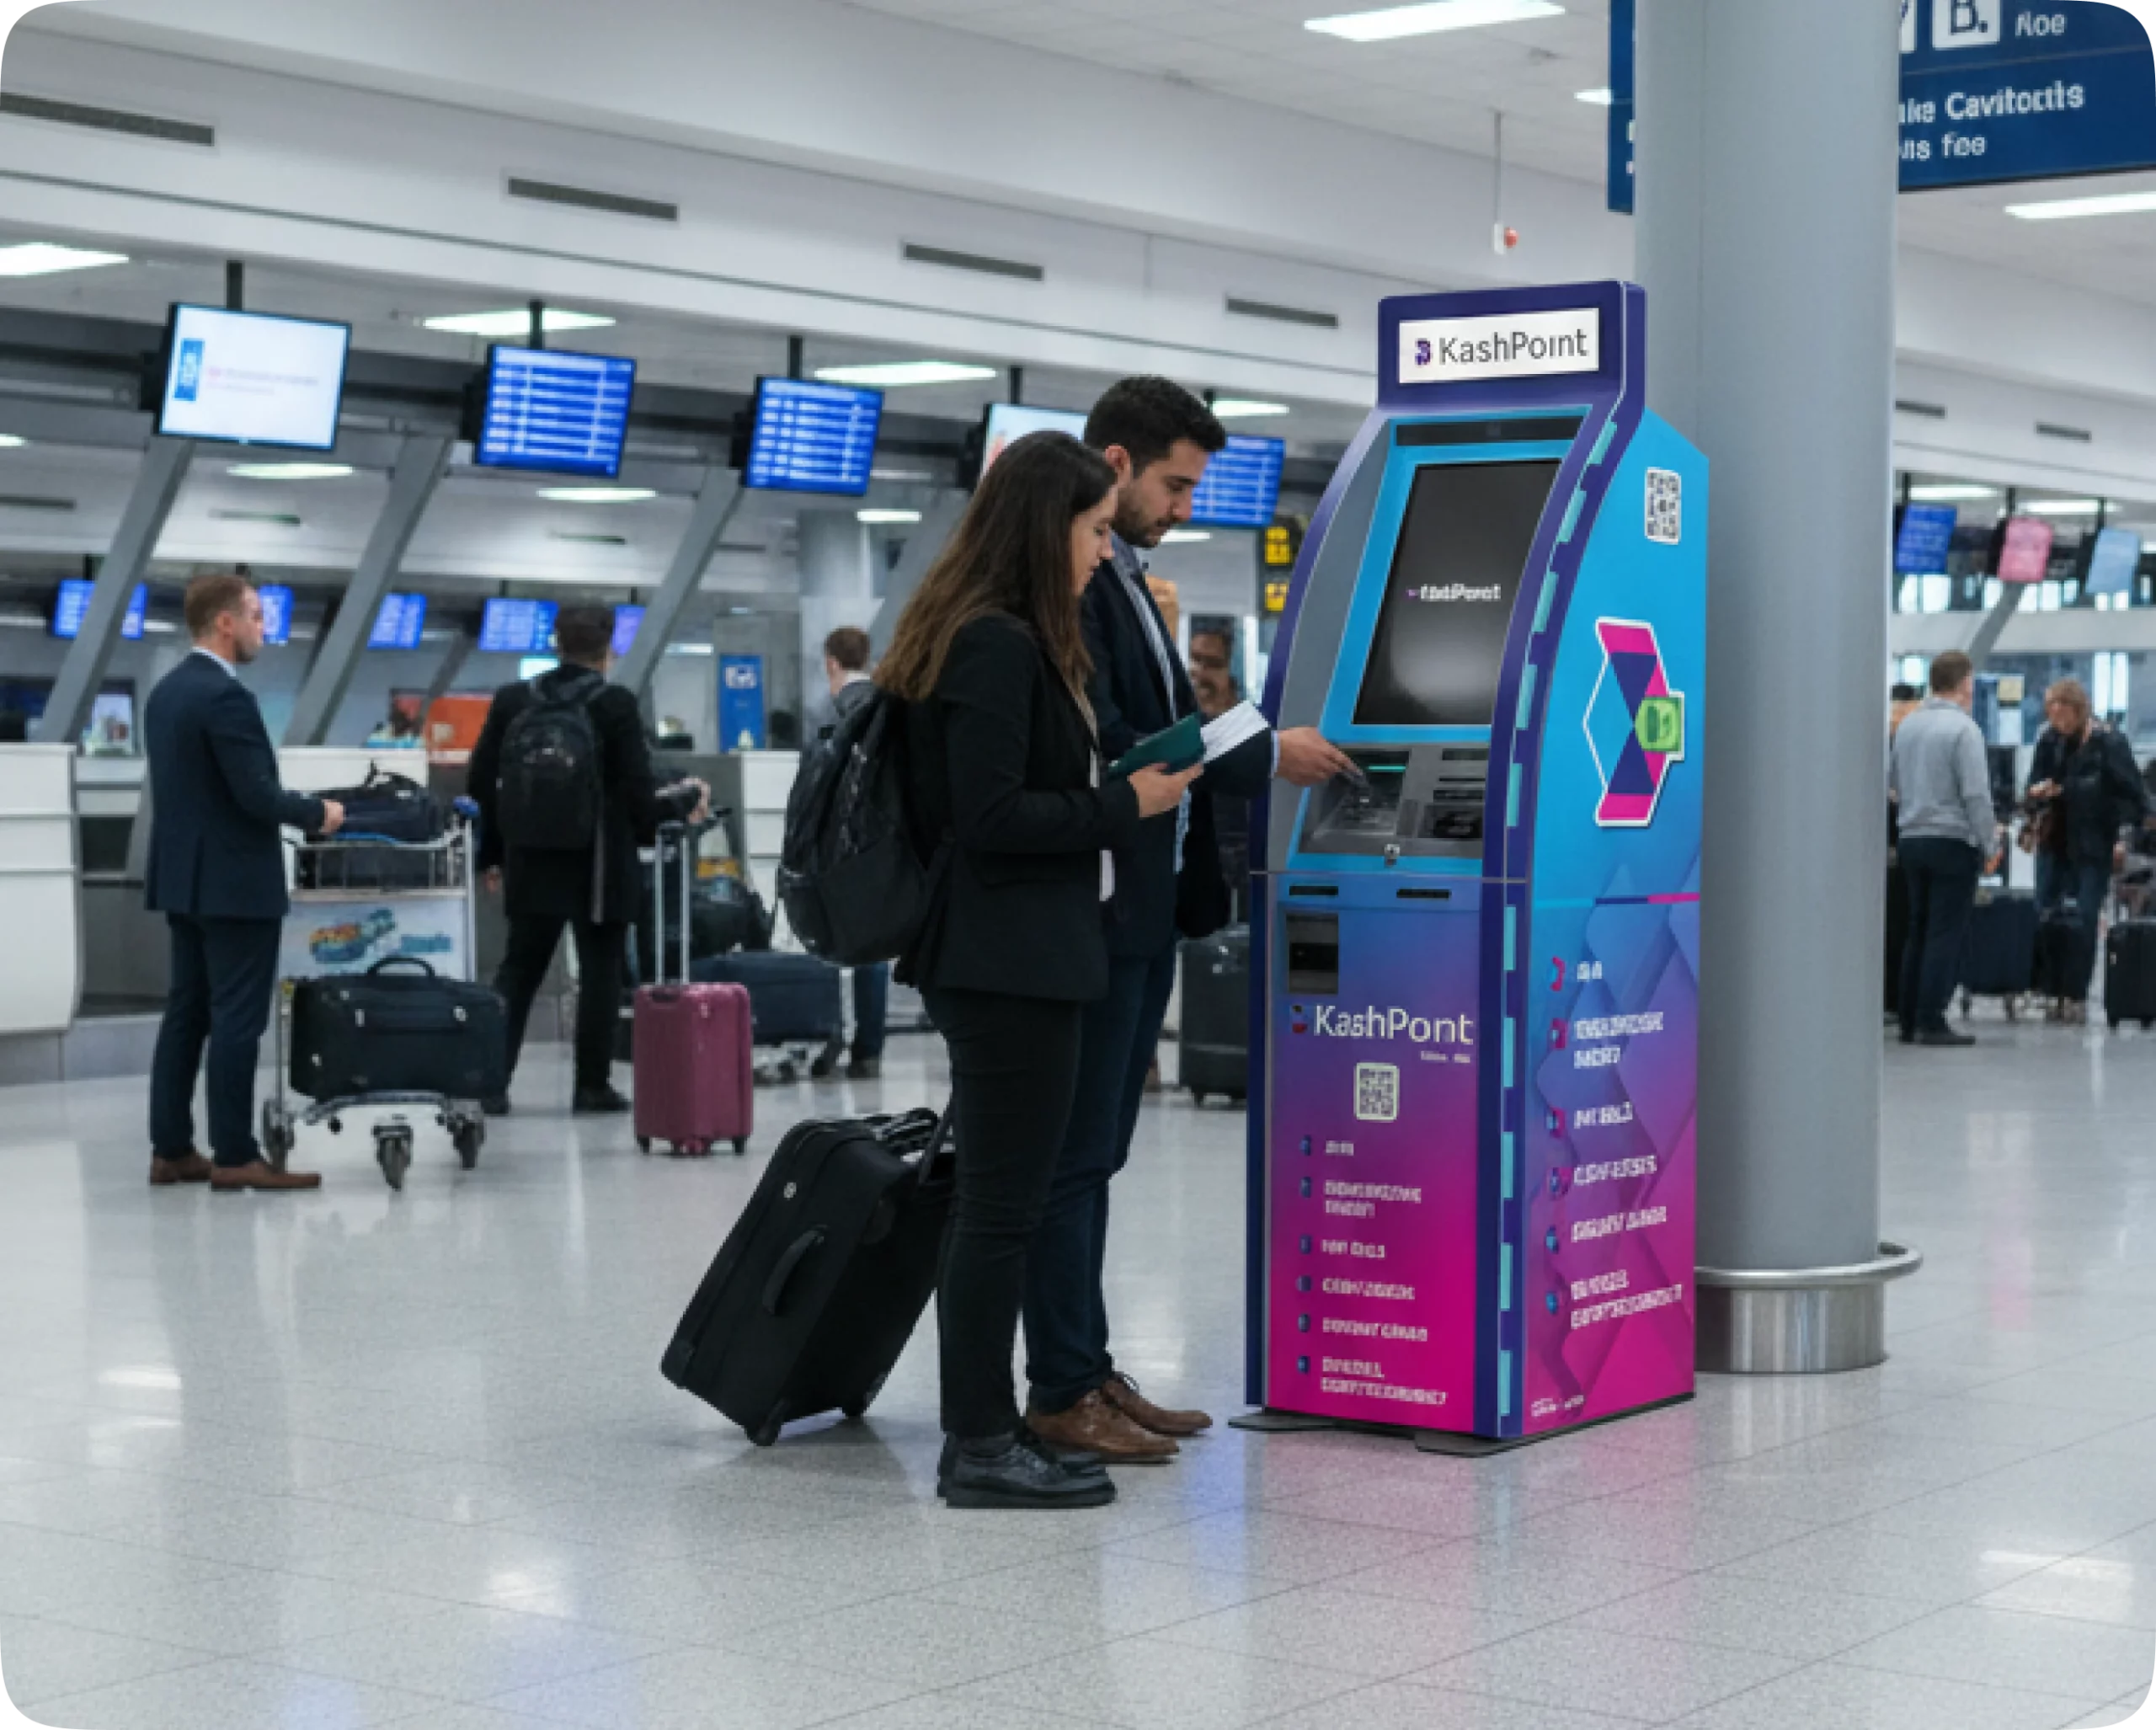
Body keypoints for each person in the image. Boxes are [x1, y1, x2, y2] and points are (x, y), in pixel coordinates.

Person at [1022, 377, 1353, 1465]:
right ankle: (1061, 1383)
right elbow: (1118, 739)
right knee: (1071, 1158)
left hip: (1144, 909)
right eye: (1173, 484)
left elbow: (1159, 724)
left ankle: (1088, 1368)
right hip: (1096, 908)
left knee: (1099, 1153)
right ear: (1114, 464)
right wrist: (1261, 749)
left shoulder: (1126, 579)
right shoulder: (1074, 586)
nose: (1182, 506)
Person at [880, 430, 1198, 1509]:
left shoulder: (999, 634)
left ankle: (993, 1424)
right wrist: (1123, 802)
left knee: (1003, 1201)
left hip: (1024, 951)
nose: (1102, 551)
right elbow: (992, 817)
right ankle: (978, 1439)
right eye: (1094, 530)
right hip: (1002, 957)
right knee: (1000, 1208)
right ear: (1041, 527)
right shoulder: (994, 643)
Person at [145, 574, 344, 1191]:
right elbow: (254, 794)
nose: (265, 628)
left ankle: (172, 1149)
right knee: (237, 1017)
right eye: (257, 616)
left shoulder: (166, 693)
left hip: (183, 880)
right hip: (234, 884)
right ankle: (235, 1154)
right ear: (225, 623)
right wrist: (318, 813)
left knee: (187, 1012)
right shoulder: (225, 697)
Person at [468, 605, 707, 1114]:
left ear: (556, 643)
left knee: (519, 970)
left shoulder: (514, 700)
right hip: (599, 864)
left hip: (530, 860)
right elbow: (640, 797)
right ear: (608, 650)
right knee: (601, 971)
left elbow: (481, 781)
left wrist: (492, 855)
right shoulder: (613, 704)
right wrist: (682, 803)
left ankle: (490, 1081)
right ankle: (591, 1085)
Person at [1889, 653, 1996, 1049]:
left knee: (1916, 929)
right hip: (1951, 841)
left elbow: (1894, 782)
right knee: (1944, 933)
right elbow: (1976, 794)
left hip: (1911, 839)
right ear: (1965, 683)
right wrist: (1990, 842)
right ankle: (1931, 1019)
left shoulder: (1908, 726)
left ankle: (1907, 1019)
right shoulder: (1964, 730)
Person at [2027, 676, 2147, 1022]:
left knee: (2084, 917)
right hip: (2054, 840)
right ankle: (2049, 989)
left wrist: (2122, 837)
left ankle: (2076, 992)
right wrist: (2037, 793)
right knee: (2045, 914)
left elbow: (2133, 796)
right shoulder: (2049, 741)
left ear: (2079, 711)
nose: (2058, 723)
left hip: (2094, 844)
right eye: (2052, 715)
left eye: (2063, 716)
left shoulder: (2109, 743)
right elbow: (2033, 782)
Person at [821, 625, 889, 1081]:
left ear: (831, 662)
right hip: (881, 843)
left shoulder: (838, 707)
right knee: (873, 950)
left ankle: (836, 1036)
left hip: (843, 846)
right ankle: (868, 1046)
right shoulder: (887, 702)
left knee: (834, 945)